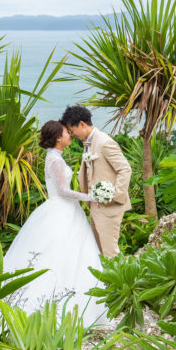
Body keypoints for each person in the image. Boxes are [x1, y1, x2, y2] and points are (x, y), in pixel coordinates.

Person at [0, 120, 109, 326]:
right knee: (56, 256)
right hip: (60, 211)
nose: (70, 135)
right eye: (66, 133)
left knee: (73, 256)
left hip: (66, 211)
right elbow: (63, 191)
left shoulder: (55, 157)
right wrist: (90, 196)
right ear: (58, 138)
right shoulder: (54, 159)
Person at [60, 105, 132, 258]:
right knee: (98, 250)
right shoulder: (88, 143)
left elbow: (125, 169)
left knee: (109, 251)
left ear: (82, 124)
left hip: (108, 208)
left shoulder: (105, 142)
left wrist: (113, 196)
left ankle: (119, 281)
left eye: (72, 130)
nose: (72, 134)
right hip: (95, 206)